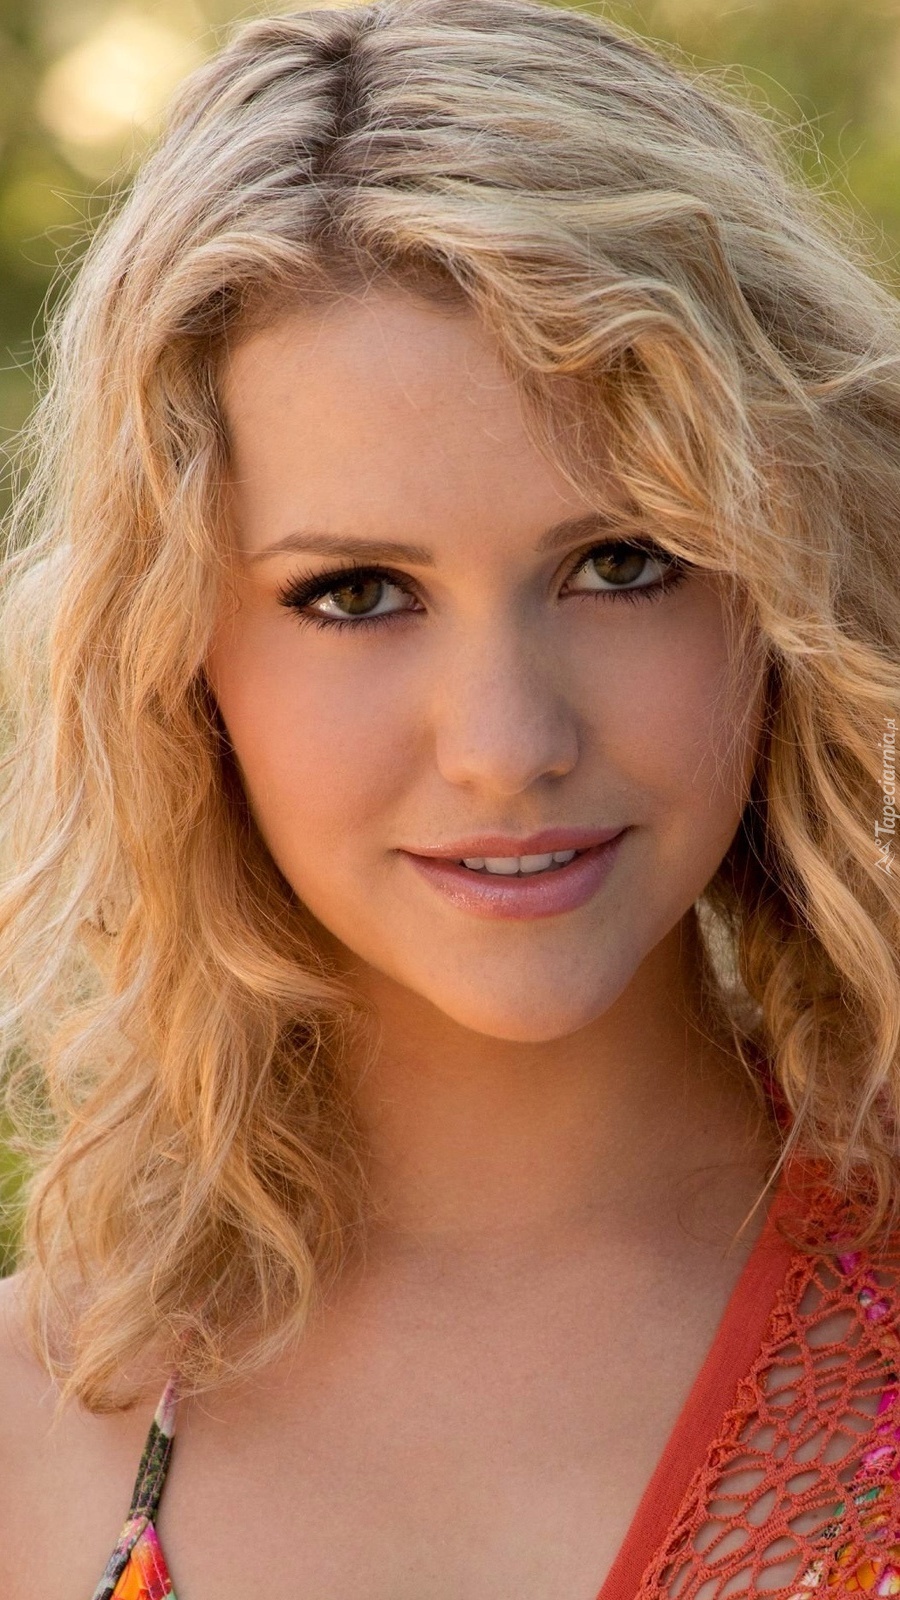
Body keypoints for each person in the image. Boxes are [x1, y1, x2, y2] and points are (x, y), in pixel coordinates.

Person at [0, 0, 899, 1594]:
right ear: (173, 655)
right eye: (355, 594)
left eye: (623, 563)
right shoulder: (27, 1430)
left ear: (785, 583)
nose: (505, 743)